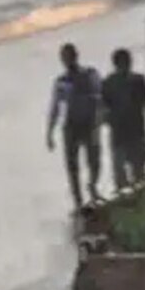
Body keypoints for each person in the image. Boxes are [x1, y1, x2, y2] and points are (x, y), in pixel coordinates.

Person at [46, 43, 103, 211]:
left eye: (69, 57)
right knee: (72, 166)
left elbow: (99, 99)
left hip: (89, 122)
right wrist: (49, 132)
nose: (67, 61)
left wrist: (99, 122)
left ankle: (92, 185)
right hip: (71, 126)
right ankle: (78, 201)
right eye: (64, 58)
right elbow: (55, 107)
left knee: (94, 161)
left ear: (76, 56)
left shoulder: (90, 74)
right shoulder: (61, 82)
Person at [101, 48, 145, 190]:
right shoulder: (109, 83)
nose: (126, 65)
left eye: (126, 62)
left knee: (137, 172)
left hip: (132, 134)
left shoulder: (137, 81)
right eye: (124, 63)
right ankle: (132, 202)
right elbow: (103, 109)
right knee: (124, 175)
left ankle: (136, 202)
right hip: (123, 135)